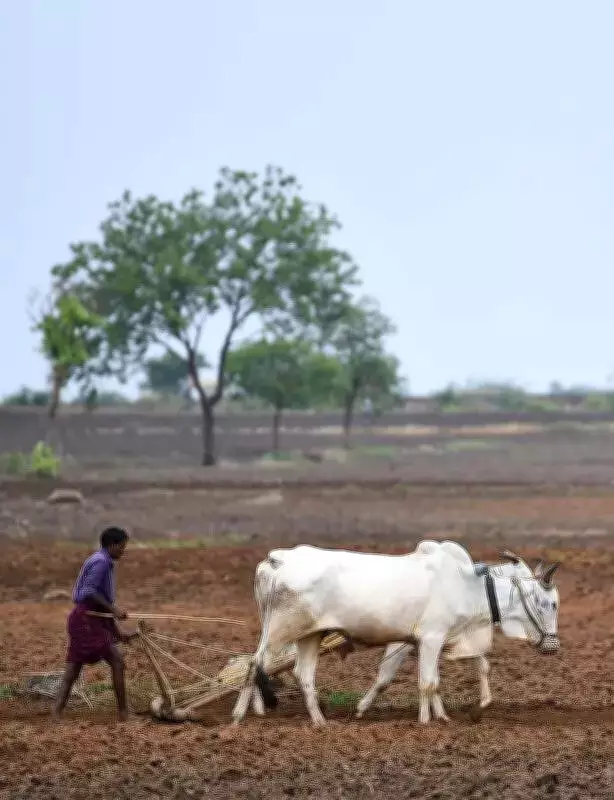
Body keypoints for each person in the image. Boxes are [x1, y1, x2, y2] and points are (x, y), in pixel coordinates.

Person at [53, 526, 138, 722]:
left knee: (74, 668)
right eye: (122, 547)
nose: (123, 551)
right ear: (112, 545)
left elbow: (98, 601)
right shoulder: (101, 562)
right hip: (86, 620)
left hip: (89, 618)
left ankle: (56, 713)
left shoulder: (101, 560)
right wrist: (114, 610)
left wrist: (118, 632)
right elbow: (89, 592)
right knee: (115, 661)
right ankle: (123, 713)